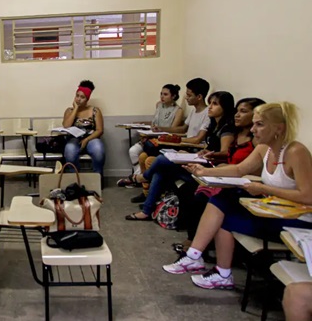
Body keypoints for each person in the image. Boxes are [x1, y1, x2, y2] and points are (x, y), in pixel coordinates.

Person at [162, 102, 312, 290]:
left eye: (259, 125)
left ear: (278, 128)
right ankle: (196, 257)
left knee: (227, 219)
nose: (253, 129)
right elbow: (240, 169)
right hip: (273, 212)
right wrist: (204, 171)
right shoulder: (264, 149)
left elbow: (307, 196)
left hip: (297, 220)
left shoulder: (296, 152)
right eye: (254, 124)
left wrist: (263, 188)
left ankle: (217, 270)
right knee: (222, 198)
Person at [124, 91, 235, 221]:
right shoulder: (214, 124)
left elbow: (224, 153)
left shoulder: (227, 129)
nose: (210, 107)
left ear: (225, 107)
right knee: (160, 170)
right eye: (210, 103)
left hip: (208, 169)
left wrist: (204, 154)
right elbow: (207, 146)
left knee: (161, 160)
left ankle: (143, 178)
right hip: (199, 161)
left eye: (215, 104)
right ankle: (146, 210)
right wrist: (193, 154)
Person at [178, 97, 265, 251]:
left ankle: (199, 246)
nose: (237, 115)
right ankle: (193, 239)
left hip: (240, 182)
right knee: (186, 189)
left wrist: (209, 169)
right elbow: (231, 158)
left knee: (202, 198)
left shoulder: (258, 142)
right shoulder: (235, 134)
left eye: (243, 111)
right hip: (226, 175)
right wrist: (213, 156)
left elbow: (244, 168)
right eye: (237, 111)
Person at [126, 78, 211, 202]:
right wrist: (162, 130)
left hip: (190, 150)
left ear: (199, 96)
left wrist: (176, 141)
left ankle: (147, 186)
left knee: (150, 160)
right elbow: (182, 129)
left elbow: (197, 140)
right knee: (143, 156)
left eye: (189, 95)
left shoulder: (206, 113)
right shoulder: (194, 111)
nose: (186, 98)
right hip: (183, 147)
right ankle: (146, 193)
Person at [117, 84, 184, 185]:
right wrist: (142, 124)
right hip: (150, 137)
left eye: (165, 94)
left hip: (162, 140)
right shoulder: (158, 105)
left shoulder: (178, 111)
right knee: (133, 151)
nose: (162, 96)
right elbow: (155, 123)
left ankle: (137, 179)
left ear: (173, 96)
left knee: (145, 153)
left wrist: (158, 130)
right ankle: (138, 176)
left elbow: (172, 130)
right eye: (161, 94)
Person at [62, 80, 105, 174]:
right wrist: (76, 109)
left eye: (82, 97)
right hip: (74, 139)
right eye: (77, 96)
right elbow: (66, 126)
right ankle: (75, 180)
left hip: (91, 138)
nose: (78, 99)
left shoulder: (95, 111)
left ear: (87, 99)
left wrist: (86, 140)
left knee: (98, 150)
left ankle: (97, 179)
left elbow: (100, 130)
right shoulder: (69, 111)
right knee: (69, 150)